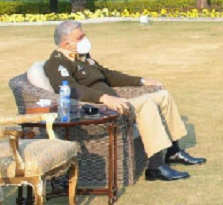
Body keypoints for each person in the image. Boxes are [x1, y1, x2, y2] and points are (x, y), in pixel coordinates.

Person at [44, 20, 206, 182]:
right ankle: (155, 167)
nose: (85, 39)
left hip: (116, 102)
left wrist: (141, 81)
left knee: (163, 96)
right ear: (66, 43)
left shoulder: (81, 57)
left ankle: (174, 151)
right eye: (80, 37)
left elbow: (108, 75)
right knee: (147, 103)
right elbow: (69, 89)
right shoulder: (58, 61)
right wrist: (104, 98)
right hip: (98, 108)